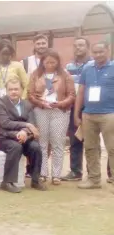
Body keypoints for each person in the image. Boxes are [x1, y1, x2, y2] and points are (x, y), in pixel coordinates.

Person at [27, 49, 75, 185]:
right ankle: (42, 173)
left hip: (59, 111)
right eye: (47, 62)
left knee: (58, 143)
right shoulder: (35, 75)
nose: (50, 65)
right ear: (42, 62)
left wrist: (60, 103)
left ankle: (56, 175)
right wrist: (41, 103)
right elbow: (29, 94)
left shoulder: (65, 75)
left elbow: (72, 95)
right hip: (41, 110)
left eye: (53, 62)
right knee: (42, 142)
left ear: (58, 62)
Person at [0, 78, 47, 193]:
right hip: (4, 137)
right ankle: (7, 182)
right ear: (6, 90)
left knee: (35, 147)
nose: (13, 92)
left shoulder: (27, 104)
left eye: (16, 89)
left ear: (22, 90)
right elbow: (5, 123)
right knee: (15, 146)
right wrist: (23, 128)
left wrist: (24, 133)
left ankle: (36, 180)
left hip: (24, 136)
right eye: (10, 89)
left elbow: (33, 124)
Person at [75, 41, 114, 189]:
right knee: (90, 147)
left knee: (112, 148)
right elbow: (81, 92)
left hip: (110, 114)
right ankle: (94, 179)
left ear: (108, 50)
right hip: (88, 114)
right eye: (95, 52)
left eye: (101, 52)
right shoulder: (87, 68)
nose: (98, 55)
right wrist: (77, 114)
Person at [62, 37, 92, 182]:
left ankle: (93, 172)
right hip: (74, 107)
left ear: (88, 47)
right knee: (75, 140)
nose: (78, 48)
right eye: (75, 46)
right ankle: (75, 171)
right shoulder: (68, 67)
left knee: (91, 141)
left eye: (81, 45)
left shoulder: (93, 65)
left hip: (91, 107)